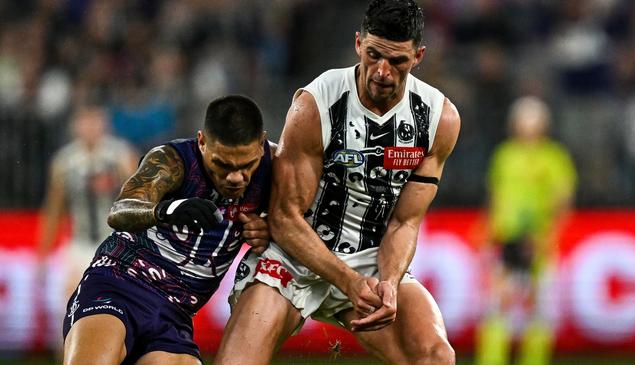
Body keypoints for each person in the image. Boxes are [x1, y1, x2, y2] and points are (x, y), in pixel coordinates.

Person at [216, 1, 461, 364]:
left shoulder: (439, 119)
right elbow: (285, 217)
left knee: (436, 356)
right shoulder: (317, 103)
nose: (382, 71)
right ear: (358, 43)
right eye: (374, 54)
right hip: (294, 258)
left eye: (397, 61)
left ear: (418, 55)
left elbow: (405, 221)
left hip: (370, 262)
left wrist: (390, 282)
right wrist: (346, 281)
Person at [62, 95, 274, 365]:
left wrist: (270, 228)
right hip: (119, 283)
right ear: (202, 142)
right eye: (222, 164)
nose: (235, 177)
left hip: (175, 313)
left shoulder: (277, 166)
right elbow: (119, 211)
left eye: (246, 166)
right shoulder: (173, 160)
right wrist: (166, 211)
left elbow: (300, 222)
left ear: (261, 145)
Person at [475, 96, 577, 365]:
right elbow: (495, 197)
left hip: (540, 244)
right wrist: (488, 233)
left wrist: (546, 237)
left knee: (540, 310)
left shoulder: (554, 157)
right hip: (505, 242)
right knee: (498, 308)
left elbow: (562, 203)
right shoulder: (505, 154)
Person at [38, 105, 138, 299]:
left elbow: (138, 201)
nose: (91, 127)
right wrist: (43, 255)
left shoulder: (122, 156)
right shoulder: (65, 161)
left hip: (114, 243)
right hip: (79, 243)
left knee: (116, 304)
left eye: (95, 120)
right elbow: (54, 209)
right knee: (71, 305)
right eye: (85, 121)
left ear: (105, 123)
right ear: (75, 125)